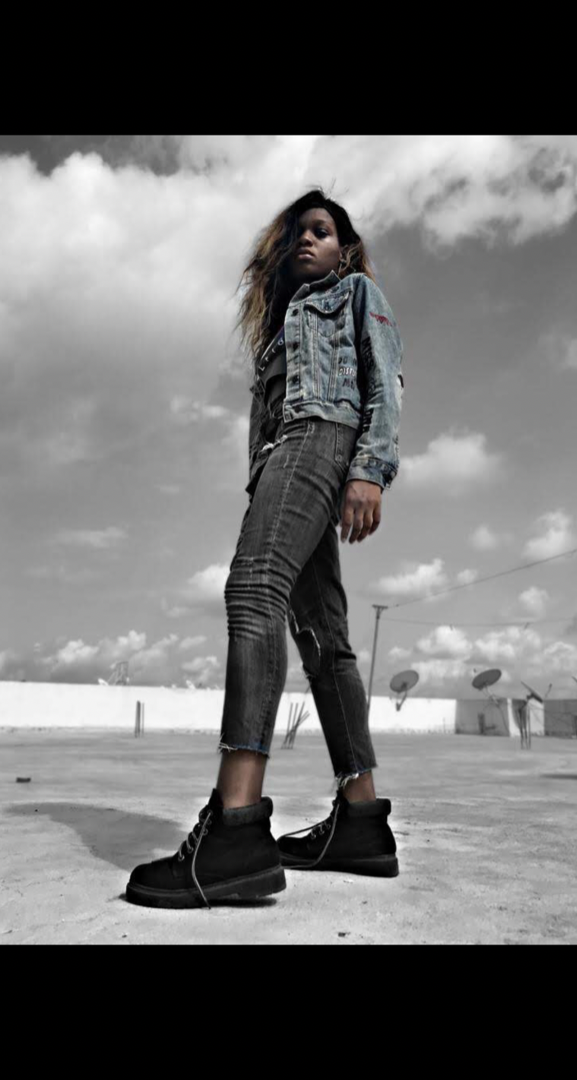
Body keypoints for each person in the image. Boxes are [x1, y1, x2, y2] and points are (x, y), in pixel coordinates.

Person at [127, 188, 405, 909]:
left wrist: (369, 470)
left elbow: (385, 380)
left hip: (319, 440)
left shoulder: (355, 293)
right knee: (324, 640)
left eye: (323, 230)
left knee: (253, 590)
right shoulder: (278, 329)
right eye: (298, 233)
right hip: (287, 465)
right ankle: (362, 822)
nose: (308, 240)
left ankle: (236, 827)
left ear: (345, 248)